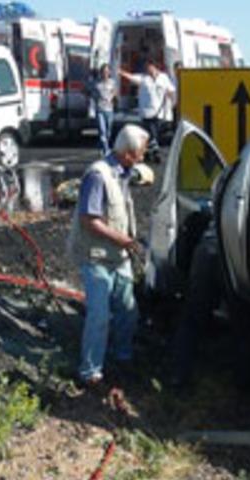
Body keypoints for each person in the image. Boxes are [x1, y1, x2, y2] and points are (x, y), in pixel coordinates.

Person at [67, 124, 150, 386]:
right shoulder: (98, 176)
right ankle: (90, 371)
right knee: (99, 316)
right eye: (141, 152)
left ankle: (121, 356)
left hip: (118, 256)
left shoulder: (123, 172)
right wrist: (123, 239)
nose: (144, 157)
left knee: (128, 311)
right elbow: (90, 220)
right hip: (97, 256)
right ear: (128, 153)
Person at [119, 59, 175, 163]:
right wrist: (121, 72)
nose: (147, 69)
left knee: (153, 134)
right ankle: (156, 152)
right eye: (146, 67)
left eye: (149, 67)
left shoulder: (163, 78)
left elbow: (171, 90)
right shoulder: (144, 78)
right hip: (146, 112)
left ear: (154, 67)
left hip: (160, 112)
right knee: (151, 133)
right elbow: (131, 77)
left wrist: (171, 99)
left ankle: (149, 151)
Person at [90, 64, 117, 156]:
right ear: (101, 73)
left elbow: (115, 92)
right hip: (100, 109)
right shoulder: (97, 83)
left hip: (109, 109)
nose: (105, 73)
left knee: (108, 131)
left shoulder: (112, 82)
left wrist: (112, 97)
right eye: (103, 72)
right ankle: (106, 150)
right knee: (102, 131)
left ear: (109, 72)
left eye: (106, 71)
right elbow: (91, 92)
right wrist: (95, 98)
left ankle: (103, 146)